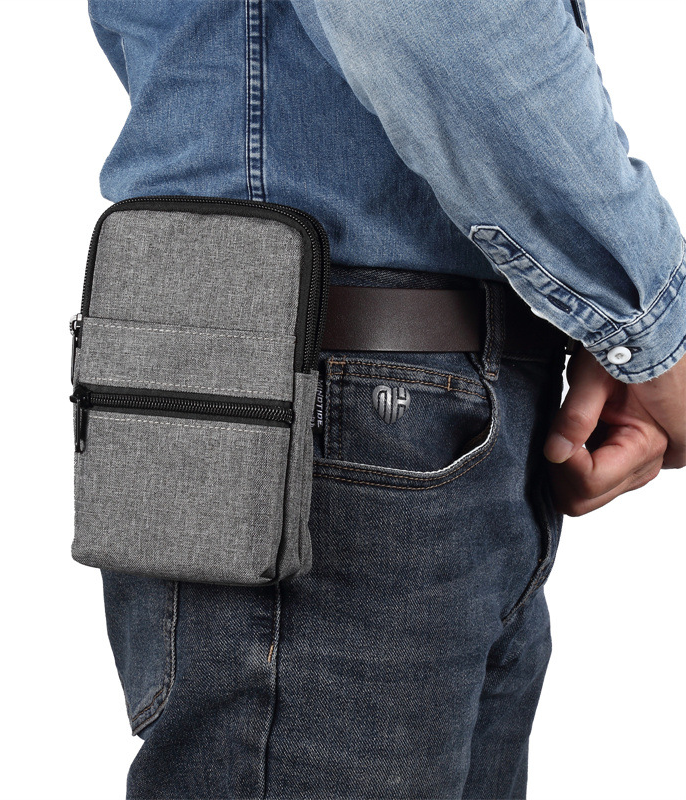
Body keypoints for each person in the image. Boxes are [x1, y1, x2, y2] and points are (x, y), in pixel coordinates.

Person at [86, 1, 686, 797]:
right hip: (331, 394)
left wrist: (603, 314)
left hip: (422, 395)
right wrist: (649, 324)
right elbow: (443, 21)